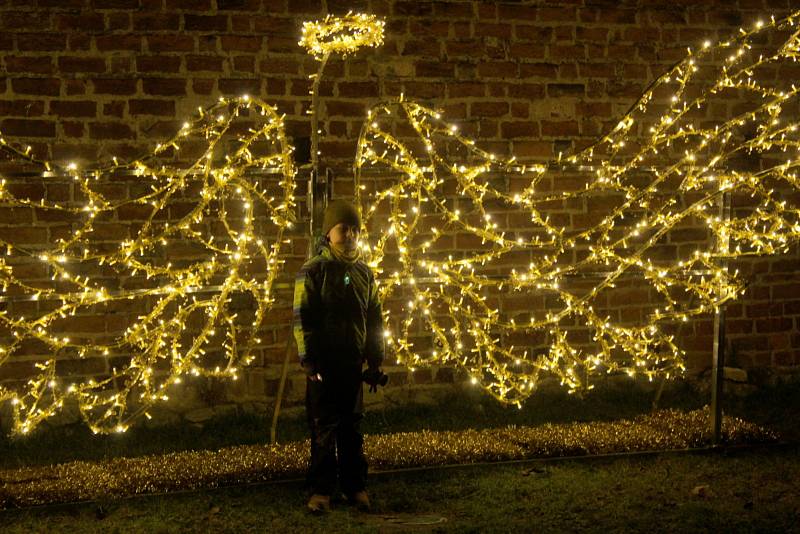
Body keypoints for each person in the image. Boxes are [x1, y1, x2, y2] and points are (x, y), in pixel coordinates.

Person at [293, 199, 386, 514]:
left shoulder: (364, 273)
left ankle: (354, 486)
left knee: (352, 427)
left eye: (354, 229)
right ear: (328, 233)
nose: (349, 235)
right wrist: (308, 358)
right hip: (324, 364)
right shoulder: (314, 270)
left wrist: (375, 358)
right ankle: (320, 490)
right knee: (324, 428)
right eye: (343, 228)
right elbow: (303, 316)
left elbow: (374, 317)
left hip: (351, 363)